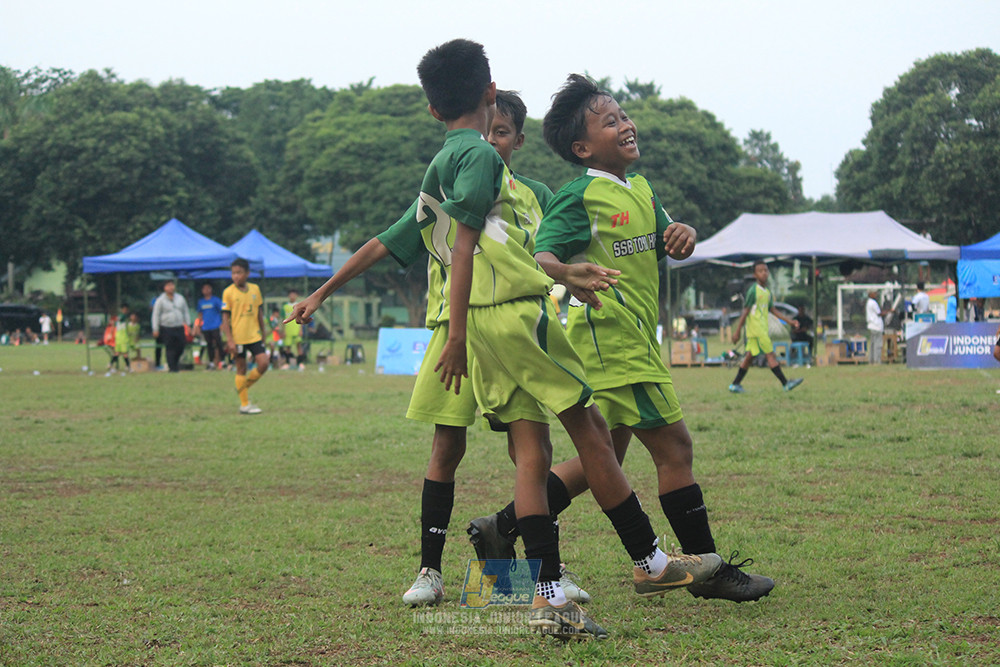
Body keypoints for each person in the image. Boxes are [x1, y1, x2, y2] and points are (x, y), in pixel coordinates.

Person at [286, 88, 616, 609]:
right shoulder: (449, 189)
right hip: (451, 332)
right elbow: (384, 242)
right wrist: (322, 292)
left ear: (517, 141)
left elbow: (559, 251)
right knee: (447, 446)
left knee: (528, 452)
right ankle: (429, 571)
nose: (489, 140)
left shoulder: (533, 194)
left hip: (512, 331)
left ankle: (545, 569)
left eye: (501, 133)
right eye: (487, 131)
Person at [469, 73, 773, 604]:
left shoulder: (643, 190)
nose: (625, 124)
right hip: (611, 341)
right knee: (675, 447)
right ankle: (709, 569)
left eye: (624, 116)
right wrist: (569, 273)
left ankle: (504, 526)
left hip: (631, 342)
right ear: (583, 147)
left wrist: (683, 237)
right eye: (610, 121)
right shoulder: (579, 195)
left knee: (601, 458)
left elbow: (664, 242)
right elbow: (541, 257)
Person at [729, 262, 804, 392]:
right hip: (757, 329)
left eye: (766, 270)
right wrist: (737, 331)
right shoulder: (753, 291)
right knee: (770, 355)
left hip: (760, 329)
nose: (764, 273)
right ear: (755, 274)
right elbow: (745, 311)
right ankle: (785, 383)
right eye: (760, 271)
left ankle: (735, 384)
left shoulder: (767, 292)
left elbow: (773, 310)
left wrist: (790, 322)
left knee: (749, 357)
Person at [221, 259, 270, 415]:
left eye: (239, 272)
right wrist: (229, 340)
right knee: (241, 368)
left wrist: (263, 333)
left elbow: (260, 313)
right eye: (233, 273)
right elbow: (225, 319)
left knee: (264, 363)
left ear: (247, 273)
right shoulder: (228, 292)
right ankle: (244, 404)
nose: (236, 276)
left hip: (254, 334)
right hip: (238, 337)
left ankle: (243, 387)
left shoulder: (255, 289)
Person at [151, 279, 190, 373]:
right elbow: (155, 315)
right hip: (166, 327)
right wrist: (155, 328)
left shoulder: (180, 298)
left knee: (181, 346)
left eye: (172, 285)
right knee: (170, 348)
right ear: (164, 288)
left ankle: (175, 364)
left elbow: (185, 312)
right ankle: (172, 368)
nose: (171, 287)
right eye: (168, 285)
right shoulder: (160, 300)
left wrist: (188, 325)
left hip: (179, 326)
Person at [197, 282, 224, 370]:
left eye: (208, 288)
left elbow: (223, 312)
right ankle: (211, 362)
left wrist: (222, 324)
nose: (206, 290)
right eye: (204, 289)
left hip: (215, 325)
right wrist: (198, 325)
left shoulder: (216, 300)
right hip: (206, 327)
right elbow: (200, 314)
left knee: (219, 343)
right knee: (209, 345)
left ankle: (222, 361)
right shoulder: (201, 302)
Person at [282, 290, 305, 370]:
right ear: (288, 296)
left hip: (297, 328)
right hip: (288, 329)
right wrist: (283, 330)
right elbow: (283, 319)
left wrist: (301, 329)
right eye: (291, 295)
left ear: (296, 295)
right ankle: (287, 363)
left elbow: (302, 318)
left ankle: (300, 364)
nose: (292, 296)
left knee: (298, 346)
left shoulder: (299, 306)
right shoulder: (285, 307)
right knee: (288, 347)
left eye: (294, 295)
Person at [865, 289, 890, 364]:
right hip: (876, 326)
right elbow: (879, 313)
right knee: (878, 344)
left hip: (871, 326)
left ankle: (871, 360)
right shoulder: (873, 302)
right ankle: (877, 360)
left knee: (872, 344)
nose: (876, 294)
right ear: (870, 294)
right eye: (874, 293)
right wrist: (889, 312)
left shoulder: (868, 302)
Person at [113, 306, 131, 372]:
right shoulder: (122, 317)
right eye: (124, 309)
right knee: (122, 353)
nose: (125, 311)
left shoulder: (124, 318)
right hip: (121, 338)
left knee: (118, 353)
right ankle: (128, 366)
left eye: (126, 309)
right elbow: (118, 320)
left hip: (120, 338)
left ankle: (111, 365)